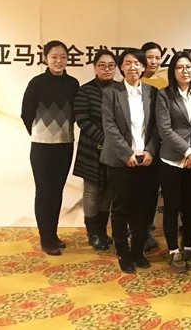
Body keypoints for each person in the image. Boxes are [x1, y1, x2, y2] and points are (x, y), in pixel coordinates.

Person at [100, 48, 160, 273]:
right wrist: (127, 154)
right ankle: (123, 253)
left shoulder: (153, 93)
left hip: (146, 160)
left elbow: (158, 127)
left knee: (143, 208)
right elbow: (109, 127)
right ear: (121, 67)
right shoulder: (111, 92)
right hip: (120, 160)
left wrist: (150, 151)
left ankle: (138, 251)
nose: (133, 67)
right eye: (127, 63)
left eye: (137, 63)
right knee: (121, 208)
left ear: (143, 67)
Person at [21, 40, 79, 256]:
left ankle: (53, 234)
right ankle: (45, 238)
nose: (59, 61)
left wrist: (61, 131)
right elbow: (26, 113)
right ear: (46, 58)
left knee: (57, 190)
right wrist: (42, 133)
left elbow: (76, 113)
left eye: (63, 57)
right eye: (54, 57)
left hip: (65, 145)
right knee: (44, 191)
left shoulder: (72, 84)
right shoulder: (37, 83)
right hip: (42, 147)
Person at [156, 51, 191, 274]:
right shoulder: (163, 95)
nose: (185, 71)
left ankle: (188, 246)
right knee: (171, 206)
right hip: (171, 160)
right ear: (173, 71)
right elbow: (165, 129)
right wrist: (187, 151)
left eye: (188, 67)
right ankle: (172, 249)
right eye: (179, 67)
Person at [72, 49, 116, 251]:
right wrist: (105, 139)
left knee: (108, 191)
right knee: (92, 191)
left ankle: (102, 231)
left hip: (114, 149)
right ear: (95, 67)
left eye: (111, 66)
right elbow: (82, 120)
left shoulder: (119, 89)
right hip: (91, 147)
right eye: (102, 65)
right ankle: (93, 234)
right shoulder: (85, 90)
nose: (107, 69)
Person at [141, 41, 167, 252]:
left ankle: (147, 230)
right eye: (149, 57)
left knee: (151, 192)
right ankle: (136, 231)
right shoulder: (134, 80)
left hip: (161, 145)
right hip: (138, 145)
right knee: (136, 192)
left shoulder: (165, 81)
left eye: (158, 57)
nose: (154, 61)